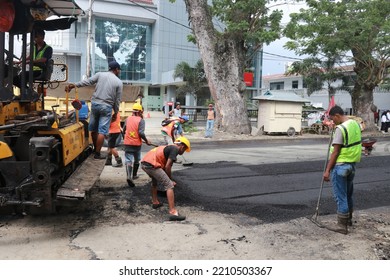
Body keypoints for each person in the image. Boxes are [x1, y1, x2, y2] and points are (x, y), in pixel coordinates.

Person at [65, 61, 123, 160]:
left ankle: (95, 149)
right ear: (116, 69)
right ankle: (97, 153)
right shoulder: (118, 82)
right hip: (106, 106)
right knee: (102, 131)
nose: (119, 72)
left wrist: (73, 85)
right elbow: (117, 100)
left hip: (95, 104)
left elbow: (87, 82)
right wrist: (116, 112)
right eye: (119, 70)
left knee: (94, 129)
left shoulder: (100, 74)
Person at [323, 105, 362, 234]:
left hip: (340, 166)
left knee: (341, 197)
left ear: (337, 116)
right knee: (348, 194)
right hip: (352, 165)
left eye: (332, 119)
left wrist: (327, 170)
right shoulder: (355, 124)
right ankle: (348, 220)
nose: (332, 121)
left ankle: (341, 226)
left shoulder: (340, 128)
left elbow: (335, 152)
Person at [140, 136, 191, 221]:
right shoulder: (174, 149)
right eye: (185, 149)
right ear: (182, 146)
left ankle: (155, 202)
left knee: (154, 182)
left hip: (145, 164)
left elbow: (163, 163)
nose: (184, 151)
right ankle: (173, 212)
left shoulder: (168, 147)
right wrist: (170, 180)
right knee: (169, 185)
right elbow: (168, 167)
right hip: (152, 165)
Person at [123, 103, 151, 187]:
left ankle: (129, 176)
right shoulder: (141, 120)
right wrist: (146, 140)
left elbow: (123, 130)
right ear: (139, 111)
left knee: (128, 160)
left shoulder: (127, 119)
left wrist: (125, 138)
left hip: (127, 143)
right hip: (136, 144)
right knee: (136, 159)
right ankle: (134, 175)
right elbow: (141, 132)